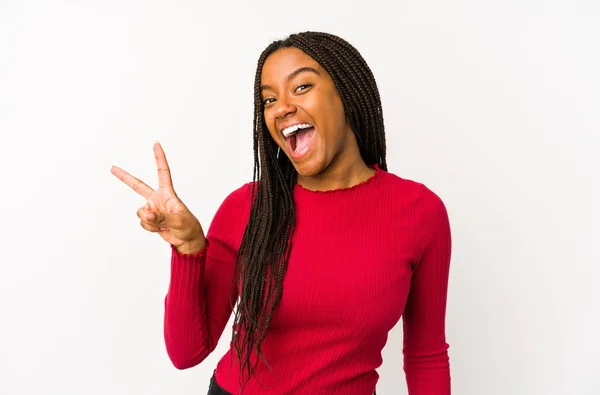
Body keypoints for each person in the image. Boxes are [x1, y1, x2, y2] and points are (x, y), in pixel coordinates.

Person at [111, 31, 452, 395]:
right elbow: (187, 352)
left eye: (301, 87)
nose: (281, 107)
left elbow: (425, 354)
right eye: (269, 99)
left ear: (347, 94)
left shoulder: (419, 213)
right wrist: (189, 249)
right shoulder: (248, 208)